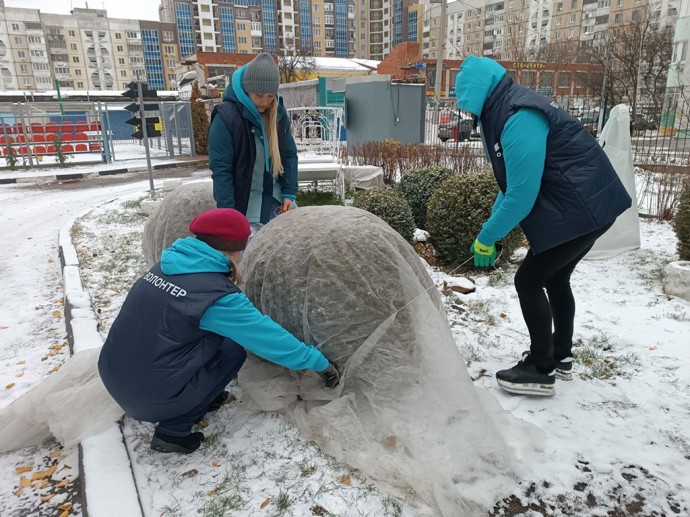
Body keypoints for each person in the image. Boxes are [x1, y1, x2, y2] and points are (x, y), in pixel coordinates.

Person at [455, 56, 631, 396]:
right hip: (588, 205)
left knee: (528, 280)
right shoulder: (506, 107)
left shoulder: (518, 115)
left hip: (583, 207)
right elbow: (514, 184)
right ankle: (560, 355)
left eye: (468, 104)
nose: (468, 113)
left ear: (478, 93)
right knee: (555, 277)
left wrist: (487, 236)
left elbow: (522, 194)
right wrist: (491, 224)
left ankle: (540, 367)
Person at [98, 208, 339, 454]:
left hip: (113, 373)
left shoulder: (169, 266)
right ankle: (173, 430)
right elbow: (269, 339)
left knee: (214, 338)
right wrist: (319, 363)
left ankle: (200, 395)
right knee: (233, 350)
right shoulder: (215, 296)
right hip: (149, 398)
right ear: (234, 250)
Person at [208, 53, 298, 227]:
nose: (265, 102)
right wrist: (228, 215)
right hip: (244, 206)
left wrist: (288, 193)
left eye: (271, 96)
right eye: (259, 95)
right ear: (246, 89)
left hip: (276, 199)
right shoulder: (226, 118)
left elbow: (289, 156)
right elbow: (222, 171)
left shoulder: (278, 114)